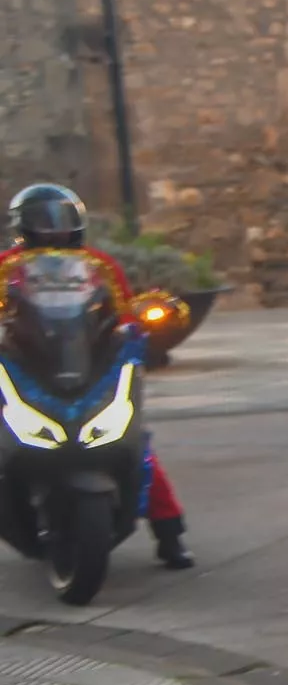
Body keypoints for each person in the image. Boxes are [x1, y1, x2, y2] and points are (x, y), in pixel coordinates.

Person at [3, 184, 193, 570]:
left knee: (136, 447)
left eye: (61, 219)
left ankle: (170, 531)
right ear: (23, 225)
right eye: (43, 220)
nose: (54, 229)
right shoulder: (7, 265)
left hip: (87, 365)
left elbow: (123, 310)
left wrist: (136, 328)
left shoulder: (99, 264)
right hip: (25, 364)